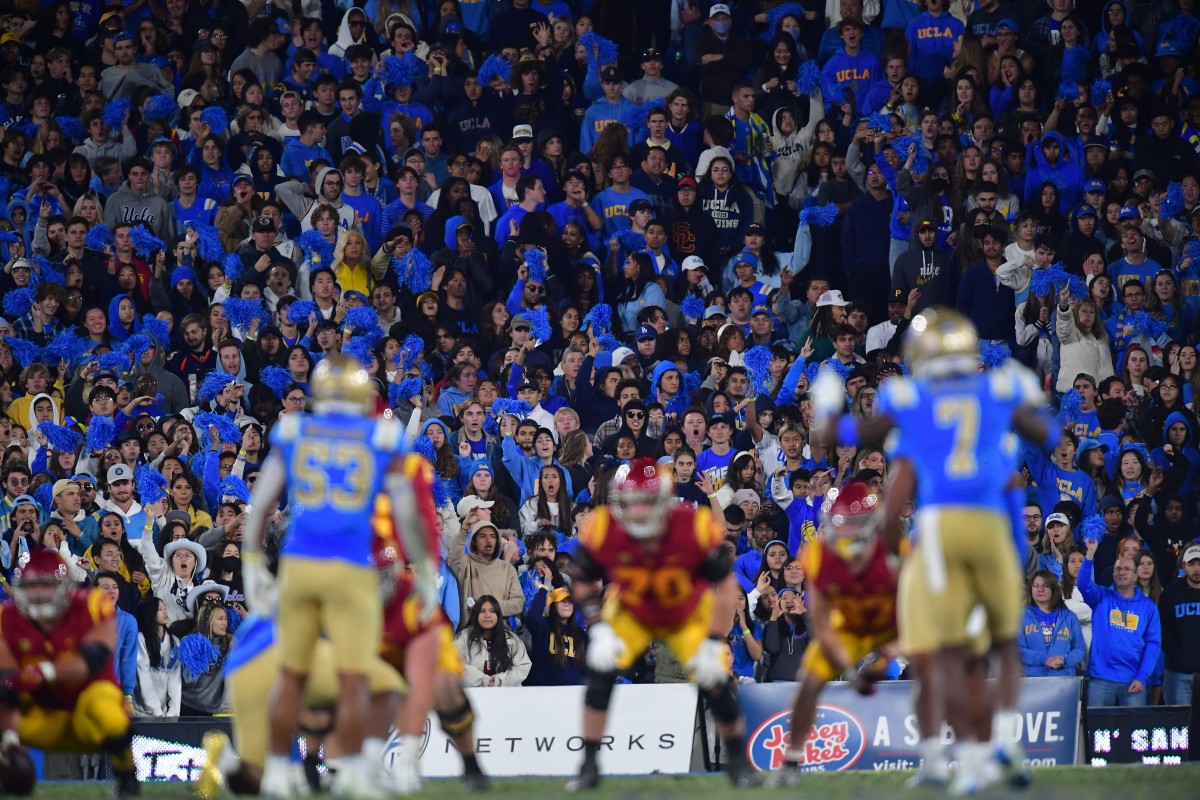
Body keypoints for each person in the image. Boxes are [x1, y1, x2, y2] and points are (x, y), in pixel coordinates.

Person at [859, 308, 1052, 791]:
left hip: (938, 537)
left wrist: (896, 557)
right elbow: (1027, 465)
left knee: (937, 661)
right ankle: (994, 743)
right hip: (985, 533)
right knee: (995, 650)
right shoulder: (995, 405)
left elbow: (892, 501)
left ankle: (958, 758)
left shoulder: (915, 410)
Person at [242, 355, 411, 798]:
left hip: (299, 563)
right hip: (351, 566)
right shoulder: (381, 434)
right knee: (355, 679)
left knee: (290, 678)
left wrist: (253, 563)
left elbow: (259, 506)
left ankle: (279, 772)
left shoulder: (296, 429)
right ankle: (352, 771)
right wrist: (426, 567)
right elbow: (406, 512)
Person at [567, 458, 754, 789]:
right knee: (600, 672)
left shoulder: (692, 526)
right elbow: (581, 580)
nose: (638, 511)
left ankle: (739, 764)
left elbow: (726, 587)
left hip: (685, 613)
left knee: (716, 679)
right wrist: (597, 626)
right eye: (631, 502)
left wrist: (714, 640)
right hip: (631, 611)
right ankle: (588, 764)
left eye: (646, 501)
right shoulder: (604, 526)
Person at [774, 481, 898, 778]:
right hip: (847, 626)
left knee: (933, 663)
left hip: (889, 624)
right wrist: (849, 668)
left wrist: (887, 656)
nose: (848, 532)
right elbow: (821, 623)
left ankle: (940, 751)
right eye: (843, 524)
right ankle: (792, 762)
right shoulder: (818, 555)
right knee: (810, 680)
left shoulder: (896, 551)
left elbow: (914, 618)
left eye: (856, 523)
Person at [0, 550, 138, 797]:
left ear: (65, 586)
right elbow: (6, 684)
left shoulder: (93, 605)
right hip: (44, 717)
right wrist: (9, 739)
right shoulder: (8, 617)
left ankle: (126, 775)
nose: (38, 592)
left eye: (46, 584)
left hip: (88, 716)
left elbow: (92, 659)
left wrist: (45, 670)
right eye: (31, 585)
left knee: (105, 705)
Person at [1078, 537, 1162, 708]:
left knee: (1132, 733)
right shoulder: (1101, 598)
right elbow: (1083, 584)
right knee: (1097, 732)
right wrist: (1090, 554)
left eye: (1127, 569)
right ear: (1113, 574)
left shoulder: (1148, 607)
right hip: (1100, 679)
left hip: (1133, 680)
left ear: (1136, 575)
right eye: (1117, 569)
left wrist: (1142, 677)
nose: (1121, 572)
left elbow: (1153, 644)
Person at [1017, 570, 1086, 678]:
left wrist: (1064, 660)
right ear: (1031, 589)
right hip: (1032, 681)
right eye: (1036, 586)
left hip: (1063, 681)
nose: (1040, 590)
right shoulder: (1021, 617)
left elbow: (1079, 650)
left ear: (1053, 589)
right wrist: (1046, 659)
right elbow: (1018, 651)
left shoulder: (1069, 617)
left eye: (1046, 586)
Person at [1158, 543, 1200, 706]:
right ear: (1183, 565)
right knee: (1178, 725)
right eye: (1192, 564)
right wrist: (1177, 657)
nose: (1197, 569)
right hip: (1177, 673)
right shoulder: (1171, 592)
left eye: (1199, 563)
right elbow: (1163, 629)